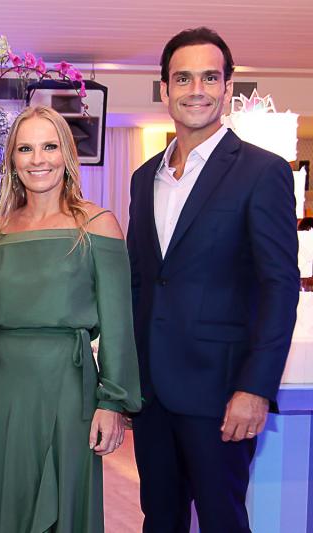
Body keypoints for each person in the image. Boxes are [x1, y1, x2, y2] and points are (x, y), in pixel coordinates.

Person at [127, 27, 299, 532]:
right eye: (183, 78)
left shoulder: (262, 171)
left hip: (221, 395)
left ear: (227, 88)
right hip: (152, 394)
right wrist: (124, 382)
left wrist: (255, 388)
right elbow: (140, 284)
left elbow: (279, 287)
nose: (196, 89)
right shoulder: (144, 177)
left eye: (209, 77)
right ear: (165, 90)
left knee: (223, 521)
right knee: (159, 520)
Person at [0, 105, 141, 532]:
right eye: (25, 149)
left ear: (67, 154)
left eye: (49, 146)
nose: (38, 159)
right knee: (5, 500)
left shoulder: (98, 225)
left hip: (68, 388)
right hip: (5, 390)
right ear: (12, 160)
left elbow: (119, 324)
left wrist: (112, 401)